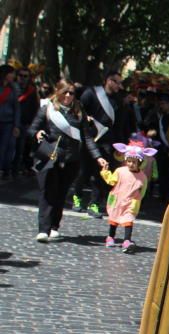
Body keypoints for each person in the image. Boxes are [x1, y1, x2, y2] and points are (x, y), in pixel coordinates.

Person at [28, 81, 108, 242]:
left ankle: (54, 226)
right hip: (50, 157)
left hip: (71, 159)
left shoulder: (79, 112)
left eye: (71, 93)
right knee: (48, 192)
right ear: (57, 92)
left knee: (61, 193)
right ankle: (43, 229)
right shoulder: (48, 109)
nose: (68, 96)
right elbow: (31, 129)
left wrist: (98, 156)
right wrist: (38, 134)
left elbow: (86, 137)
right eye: (65, 92)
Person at [73, 70, 130, 218]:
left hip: (106, 141)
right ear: (107, 80)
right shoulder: (91, 93)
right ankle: (77, 197)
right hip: (88, 139)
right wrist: (86, 118)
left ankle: (94, 204)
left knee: (101, 174)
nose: (119, 86)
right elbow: (78, 110)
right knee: (83, 172)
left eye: (120, 82)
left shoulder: (118, 100)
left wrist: (120, 145)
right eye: (116, 82)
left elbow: (120, 125)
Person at [101, 141, 158, 253]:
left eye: (134, 162)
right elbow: (112, 181)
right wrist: (105, 172)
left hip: (130, 202)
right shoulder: (120, 171)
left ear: (140, 162)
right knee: (114, 219)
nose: (131, 164)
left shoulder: (142, 177)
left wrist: (137, 200)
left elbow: (143, 190)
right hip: (117, 200)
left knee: (128, 220)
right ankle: (110, 237)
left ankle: (127, 240)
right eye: (129, 161)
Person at [142, 92, 169, 201]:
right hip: (161, 149)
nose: (161, 106)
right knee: (162, 173)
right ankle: (162, 196)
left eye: (163, 103)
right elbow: (151, 127)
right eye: (160, 104)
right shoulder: (158, 116)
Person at [14, 67, 38, 176]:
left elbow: (34, 108)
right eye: (21, 76)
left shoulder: (32, 91)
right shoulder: (11, 89)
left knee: (21, 147)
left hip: (24, 123)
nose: (23, 78)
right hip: (10, 122)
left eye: (25, 76)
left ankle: (17, 168)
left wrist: (32, 124)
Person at [0, 65, 21, 179]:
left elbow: (17, 108)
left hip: (8, 123)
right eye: (11, 73)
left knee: (4, 148)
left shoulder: (13, 88)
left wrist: (16, 125)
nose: (13, 76)